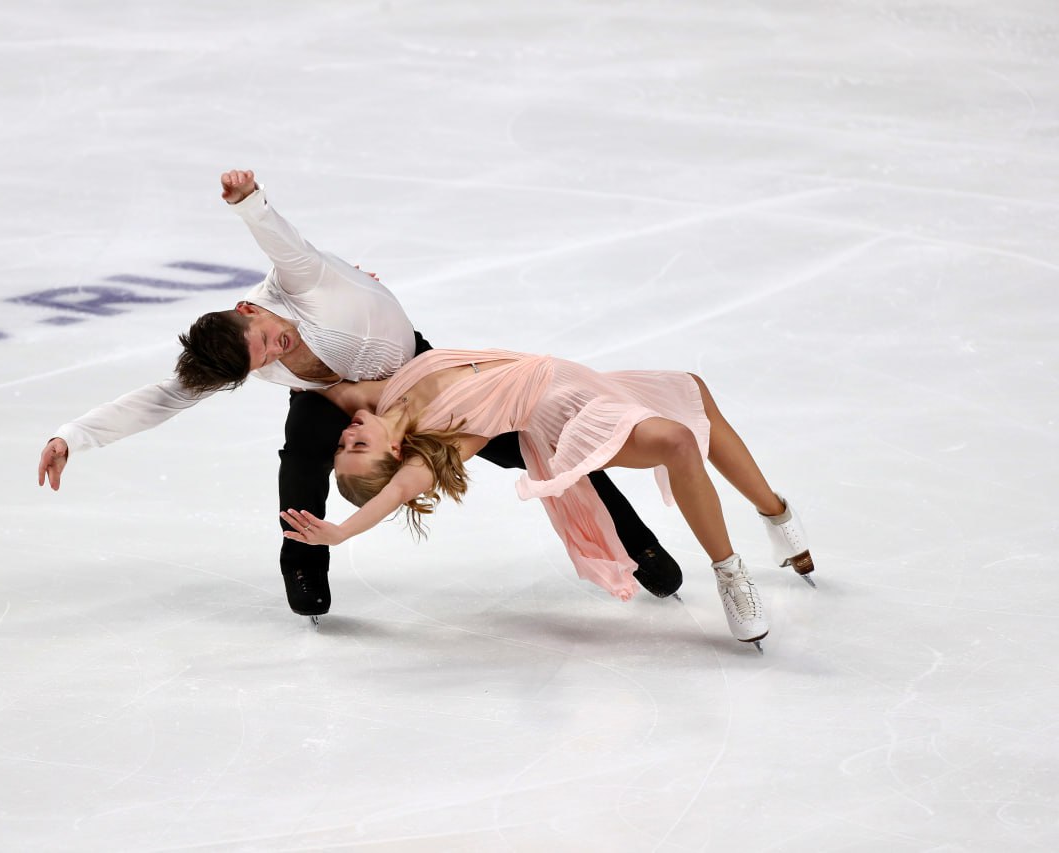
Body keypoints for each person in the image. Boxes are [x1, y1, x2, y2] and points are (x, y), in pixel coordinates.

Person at [38, 171, 684, 619]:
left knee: (537, 442)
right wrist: (72, 434)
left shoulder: (304, 280)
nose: (273, 354)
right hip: (334, 397)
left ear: (248, 308)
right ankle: (304, 563)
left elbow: (280, 240)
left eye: (264, 341)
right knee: (303, 452)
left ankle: (636, 543)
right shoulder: (244, 355)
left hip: (419, 376)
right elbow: (163, 397)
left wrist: (249, 203)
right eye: (260, 362)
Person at [279, 349, 816, 647]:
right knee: (676, 442)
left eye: (343, 446)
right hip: (567, 417)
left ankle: (776, 513)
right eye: (356, 448)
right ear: (395, 452)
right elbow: (399, 490)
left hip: (580, 379)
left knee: (693, 394)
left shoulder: (383, 387)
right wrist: (342, 532)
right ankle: (730, 574)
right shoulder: (446, 438)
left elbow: (309, 355)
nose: (346, 434)